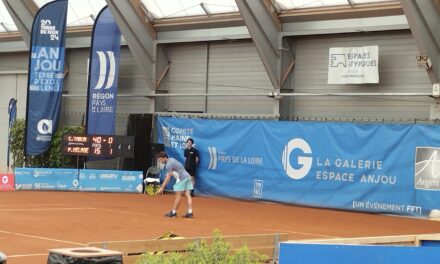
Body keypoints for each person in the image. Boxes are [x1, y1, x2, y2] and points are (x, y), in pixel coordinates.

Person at [156, 151, 194, 218]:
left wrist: (162, 187)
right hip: (188, 177)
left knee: (178, 195)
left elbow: (168, 177)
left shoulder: (168, 164)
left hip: (182, 179)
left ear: (165, 158)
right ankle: (190, 212)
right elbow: (172, 172)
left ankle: (173, 212)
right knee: (187, 194)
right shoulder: (172, 159)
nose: (160, 161)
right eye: (159, 160)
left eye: (161, 159)